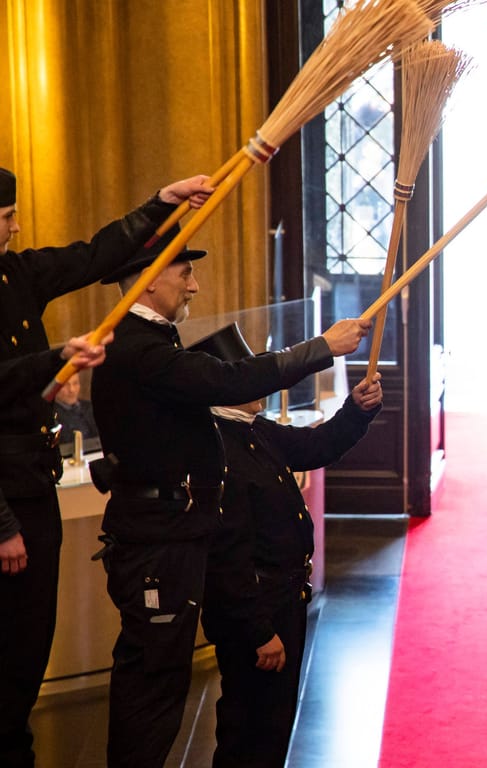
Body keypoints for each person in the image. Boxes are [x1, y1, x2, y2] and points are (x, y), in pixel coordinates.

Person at [90, 239, 370, 768]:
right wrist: (322, 347)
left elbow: (305, 444)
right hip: (159, 548)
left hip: (173, 542)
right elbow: (229, 380)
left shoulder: (148, 346)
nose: (194, 285)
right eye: (185, 273)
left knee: (165, 693)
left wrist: (355, 410)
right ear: (150, 277)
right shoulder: (139, 348)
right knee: (153, 696)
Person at [0, 166, 212, 768]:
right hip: (6, 500)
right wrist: (1, 523)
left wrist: (159, 205)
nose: (16, 224)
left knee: (27, 651)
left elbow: (93, 256)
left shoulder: (17, 273)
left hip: (32, 483)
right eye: (6, 217)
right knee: (8, 654)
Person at [191, 322, 383, 768]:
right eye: (252, 375)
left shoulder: (253, 430)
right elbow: (227, 558)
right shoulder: (218, 448)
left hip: (282, 601)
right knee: (249, 729)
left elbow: (315, 446)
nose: (263, 384)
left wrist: (357, 409)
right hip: (256, 614)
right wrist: (260, 632)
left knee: (275, 725)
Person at [52, 375, 98, 452]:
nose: (71, 390)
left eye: (75, 383)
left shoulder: (90, 406)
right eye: (66, 385)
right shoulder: (52, 414)